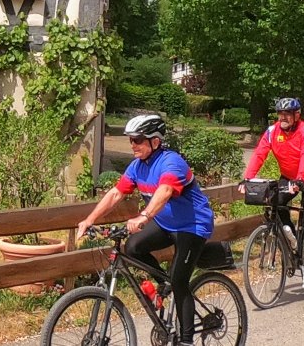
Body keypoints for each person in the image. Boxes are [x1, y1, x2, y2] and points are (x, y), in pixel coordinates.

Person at [76, 114, 214, 346]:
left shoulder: (172, 162)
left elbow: (166, 191)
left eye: (138, 140)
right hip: (166, 224)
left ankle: (187, 341)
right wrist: (89, 220)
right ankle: (163, 282)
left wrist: (144, 216)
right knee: (133, 247)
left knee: (180, 281)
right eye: (131, 140)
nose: (133, 145)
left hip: (193, 226)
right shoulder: (138, 166)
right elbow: (116, 193)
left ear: (155, 142)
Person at [241, 96, 304, 291]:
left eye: (287, 114)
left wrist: (301, 180)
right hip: (287, 176)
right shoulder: (272, 132)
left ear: (297, 115)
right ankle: (292, 239)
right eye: (280, 114)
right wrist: (248, 178)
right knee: (275, 203)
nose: (283, 117)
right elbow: (260, 154)